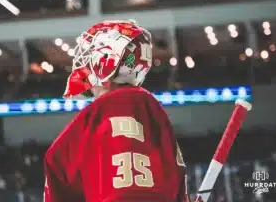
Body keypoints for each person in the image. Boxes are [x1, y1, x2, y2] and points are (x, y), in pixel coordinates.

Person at [43, 20, 190, 202]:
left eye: (89, 58)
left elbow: (56, 166)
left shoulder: (89, 121)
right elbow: (176, 177)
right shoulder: (155, 113)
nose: (85, 66)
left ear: (105, 62)